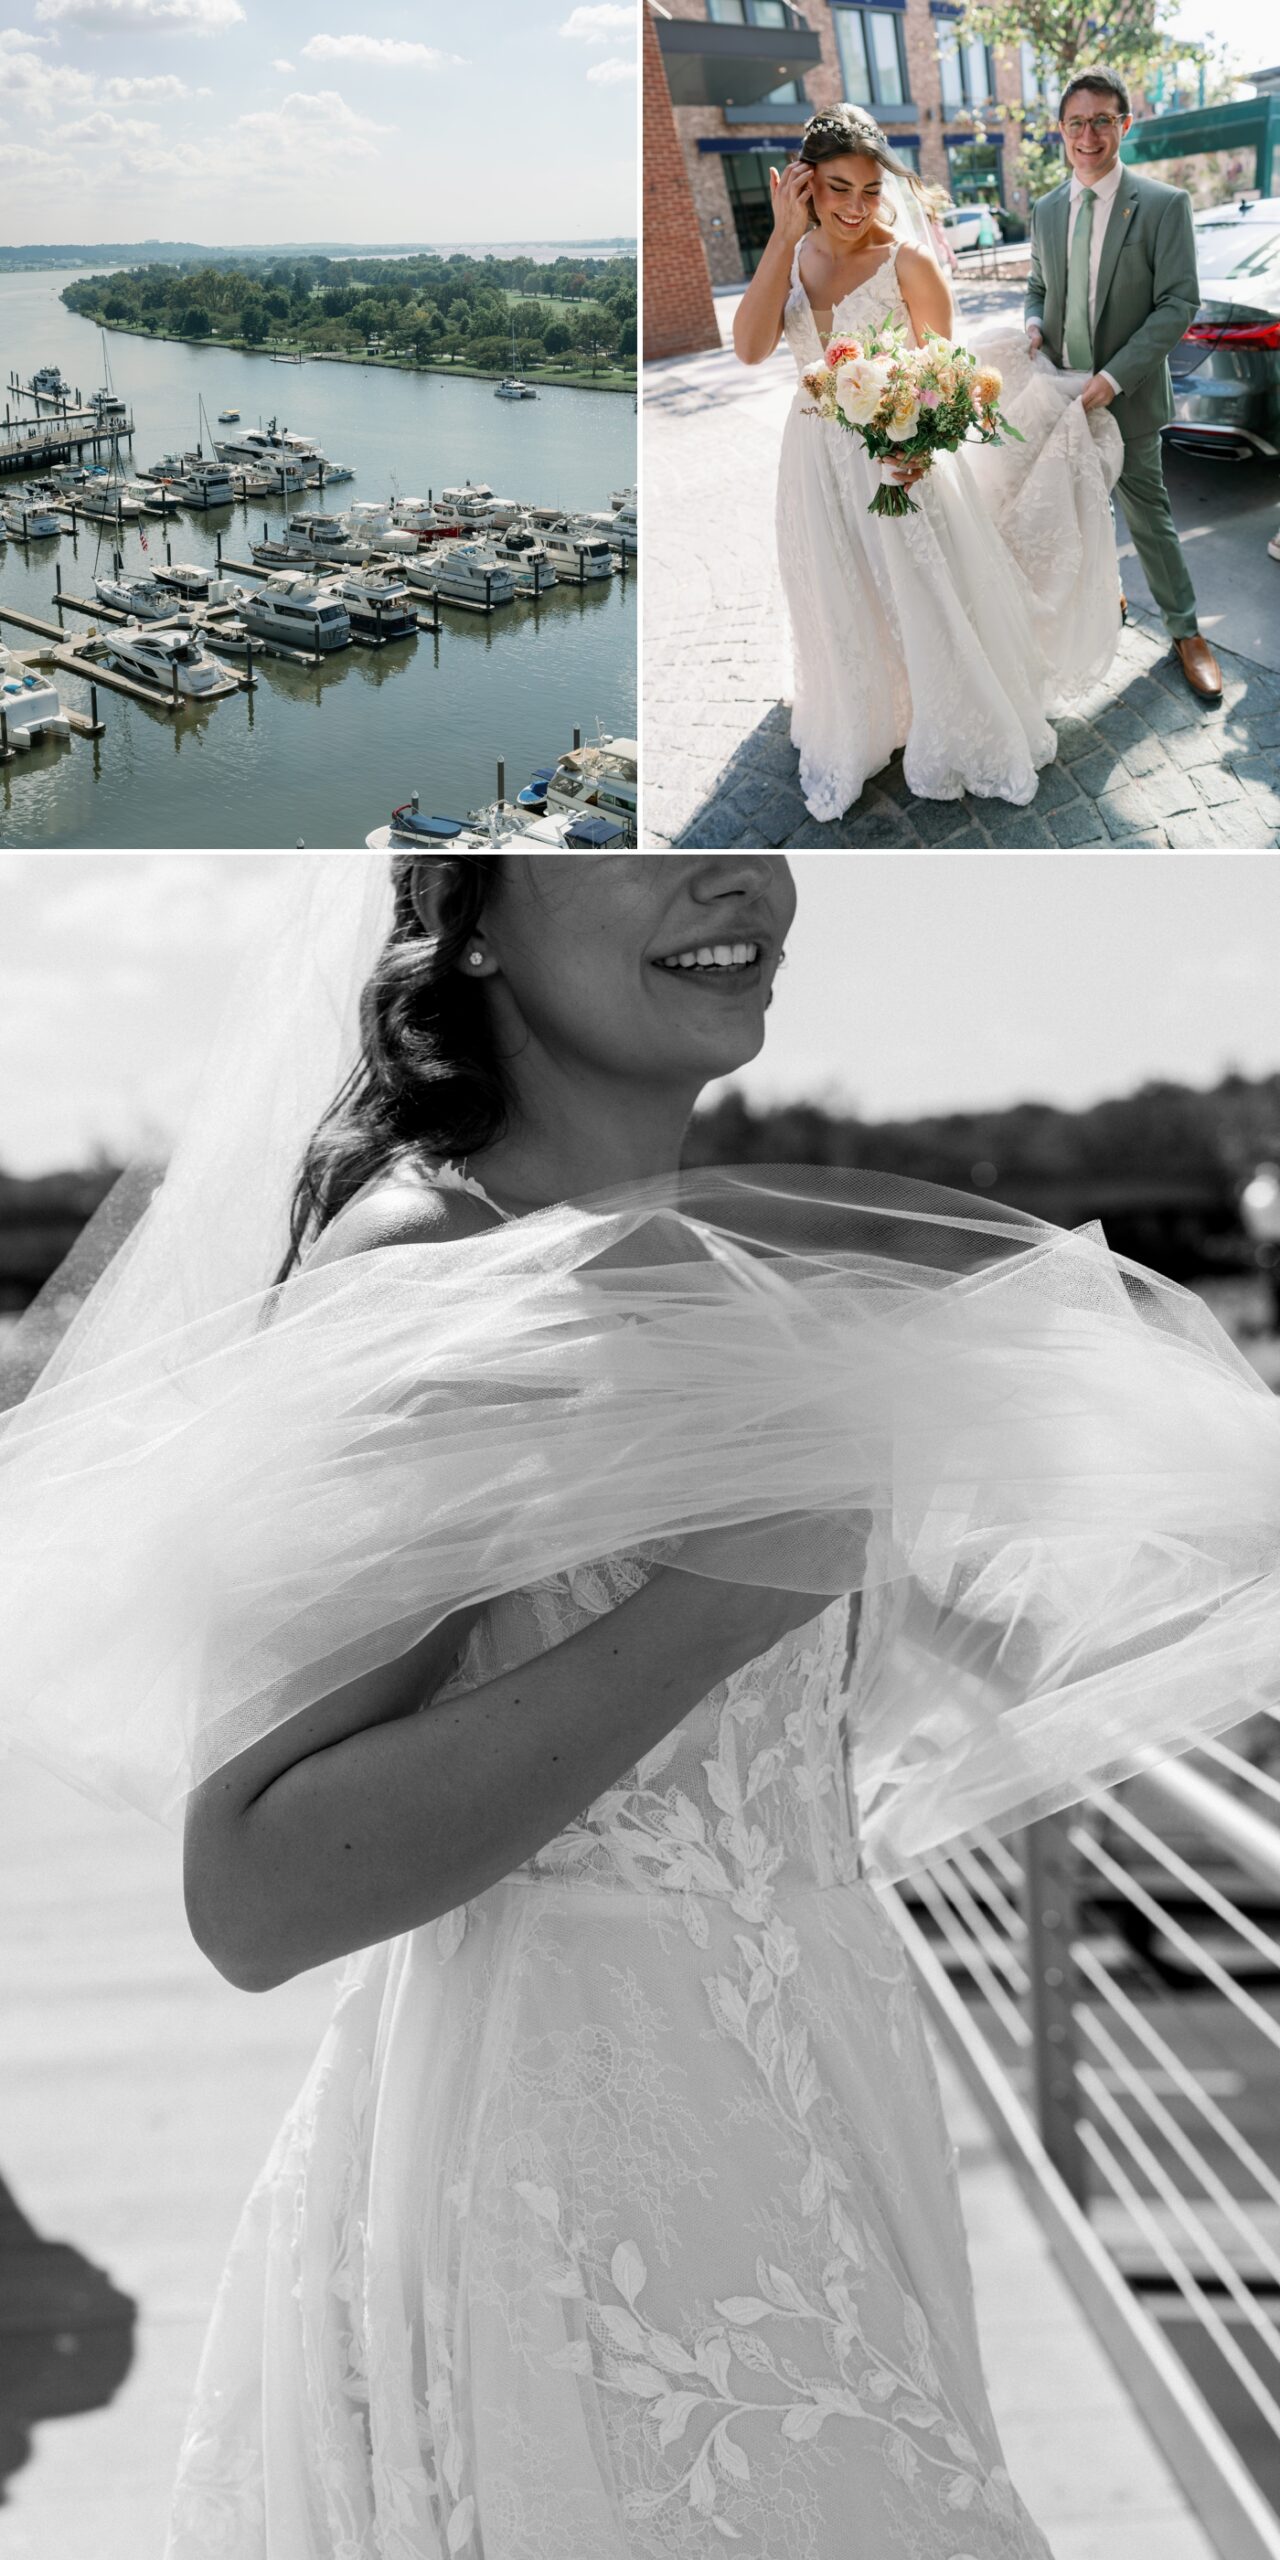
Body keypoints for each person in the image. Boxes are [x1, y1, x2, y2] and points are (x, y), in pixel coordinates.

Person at [3, 855, 1279, 2558]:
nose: (734, 875)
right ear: (463, 918)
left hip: (813, 2098)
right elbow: (254, 1887)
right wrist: (713, 1608)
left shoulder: (706, 1273)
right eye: (619, 847)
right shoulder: (422, 1276)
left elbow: (817, 1708)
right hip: (573, 2182)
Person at [733, 104, 1126, 824]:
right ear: (804, 185)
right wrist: (780, 240)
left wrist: (918, 449)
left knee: (920, 591)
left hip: (898, 461)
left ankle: (942, 714)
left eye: (871, 189)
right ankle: (864, 711)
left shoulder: (907, 264)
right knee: (841, 588)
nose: (856, 207)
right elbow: (752, 348)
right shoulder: (790, 259)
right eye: (838, 187)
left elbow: (946, 380)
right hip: (814, 462)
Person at [1025, 65, 1223, 703]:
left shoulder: (1164, 205)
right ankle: (1100, 599)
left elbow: (1176, 303)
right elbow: (1038, 286)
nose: (1089, 135)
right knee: (1072, 511)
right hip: (1057, 393)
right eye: (1076, 122)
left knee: (1149, 517)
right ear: (1061, 130)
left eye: (1101, 120)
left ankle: (1186, 631)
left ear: (1123, 125)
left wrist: (1112, 379)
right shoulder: (1046, 209)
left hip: (1125, 395)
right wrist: (1032, 324)